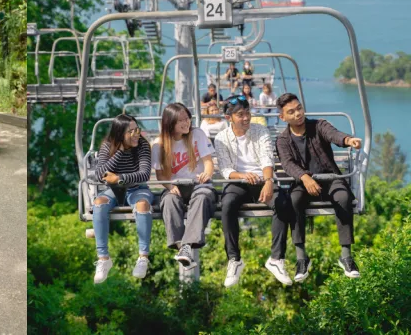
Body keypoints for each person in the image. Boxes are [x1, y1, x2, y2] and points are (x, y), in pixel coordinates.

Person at [275, 93, 363, 281]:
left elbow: (334, 135)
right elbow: (288, 163)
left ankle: (346, 256)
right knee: (294, 200)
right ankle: (301, 258)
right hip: (303, 182)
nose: (298, 114)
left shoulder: (318, 126)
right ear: (283, 117)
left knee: (343, 197)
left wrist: (348, 140)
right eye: (291, 112)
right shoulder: (283, 140)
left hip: (329, 178)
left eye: (299, 108)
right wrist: (305, 177)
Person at [214, 94, 294, 287]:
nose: (246, 118)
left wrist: (268, 181)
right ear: (229, 118)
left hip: (261, 179)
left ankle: (276, 259)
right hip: (239, 182)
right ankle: (234, 259)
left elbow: (267, 158)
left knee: (282, 202)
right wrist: (242, 175)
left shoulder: (260, 131)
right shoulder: (221, 138)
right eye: (240, 115)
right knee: (227, 204)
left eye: (247, 113)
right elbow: (226, 169)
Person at [152, 103, 216, 269]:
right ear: (170, 123)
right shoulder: (159, 144)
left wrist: (207, 174)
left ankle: (186, 247)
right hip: (176, 186)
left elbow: (208, 162)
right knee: (168, 201)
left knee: (202, 197)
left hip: (198, 183)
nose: (186, 123)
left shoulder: (197, 134)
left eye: (187, 118)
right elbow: (160, 175)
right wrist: (168, 186)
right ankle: (182, 246)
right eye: (181, 120)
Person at [91, 114, 154, 283]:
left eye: (137, 130)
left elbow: (144, 174)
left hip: (137, 189)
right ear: (119, 134)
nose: (135, 134)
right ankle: (104, 259)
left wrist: (119, 178)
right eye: (130, 131)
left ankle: (143, 257)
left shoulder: (143, 146)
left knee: (142, 205)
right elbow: (99, 174)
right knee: (98, 204)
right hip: (113, 191)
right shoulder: (107, 146)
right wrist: (120, 151)